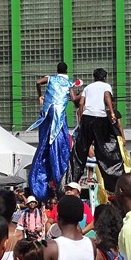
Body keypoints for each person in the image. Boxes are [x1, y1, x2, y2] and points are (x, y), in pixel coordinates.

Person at [66, 69, 125, 193]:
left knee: (80, 151)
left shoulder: (88, 87)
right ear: (104, 77)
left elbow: (81, 103)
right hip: (100, 118)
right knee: (106, 149)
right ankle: (114, 184)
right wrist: (112, 112)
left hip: (87, 118)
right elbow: (107, 96)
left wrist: (81, 119)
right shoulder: (106, 86)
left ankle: (70, 182)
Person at [28, 62, 76, 201]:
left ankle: (41, 186)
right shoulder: (68, 82)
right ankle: (60, 179)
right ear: (66, 71)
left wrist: (40, 95)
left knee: (45, 143)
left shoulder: (51, 78)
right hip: (59, 116)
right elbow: (73, 99)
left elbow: (38, 82)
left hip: (47, 113)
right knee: (60, 145)